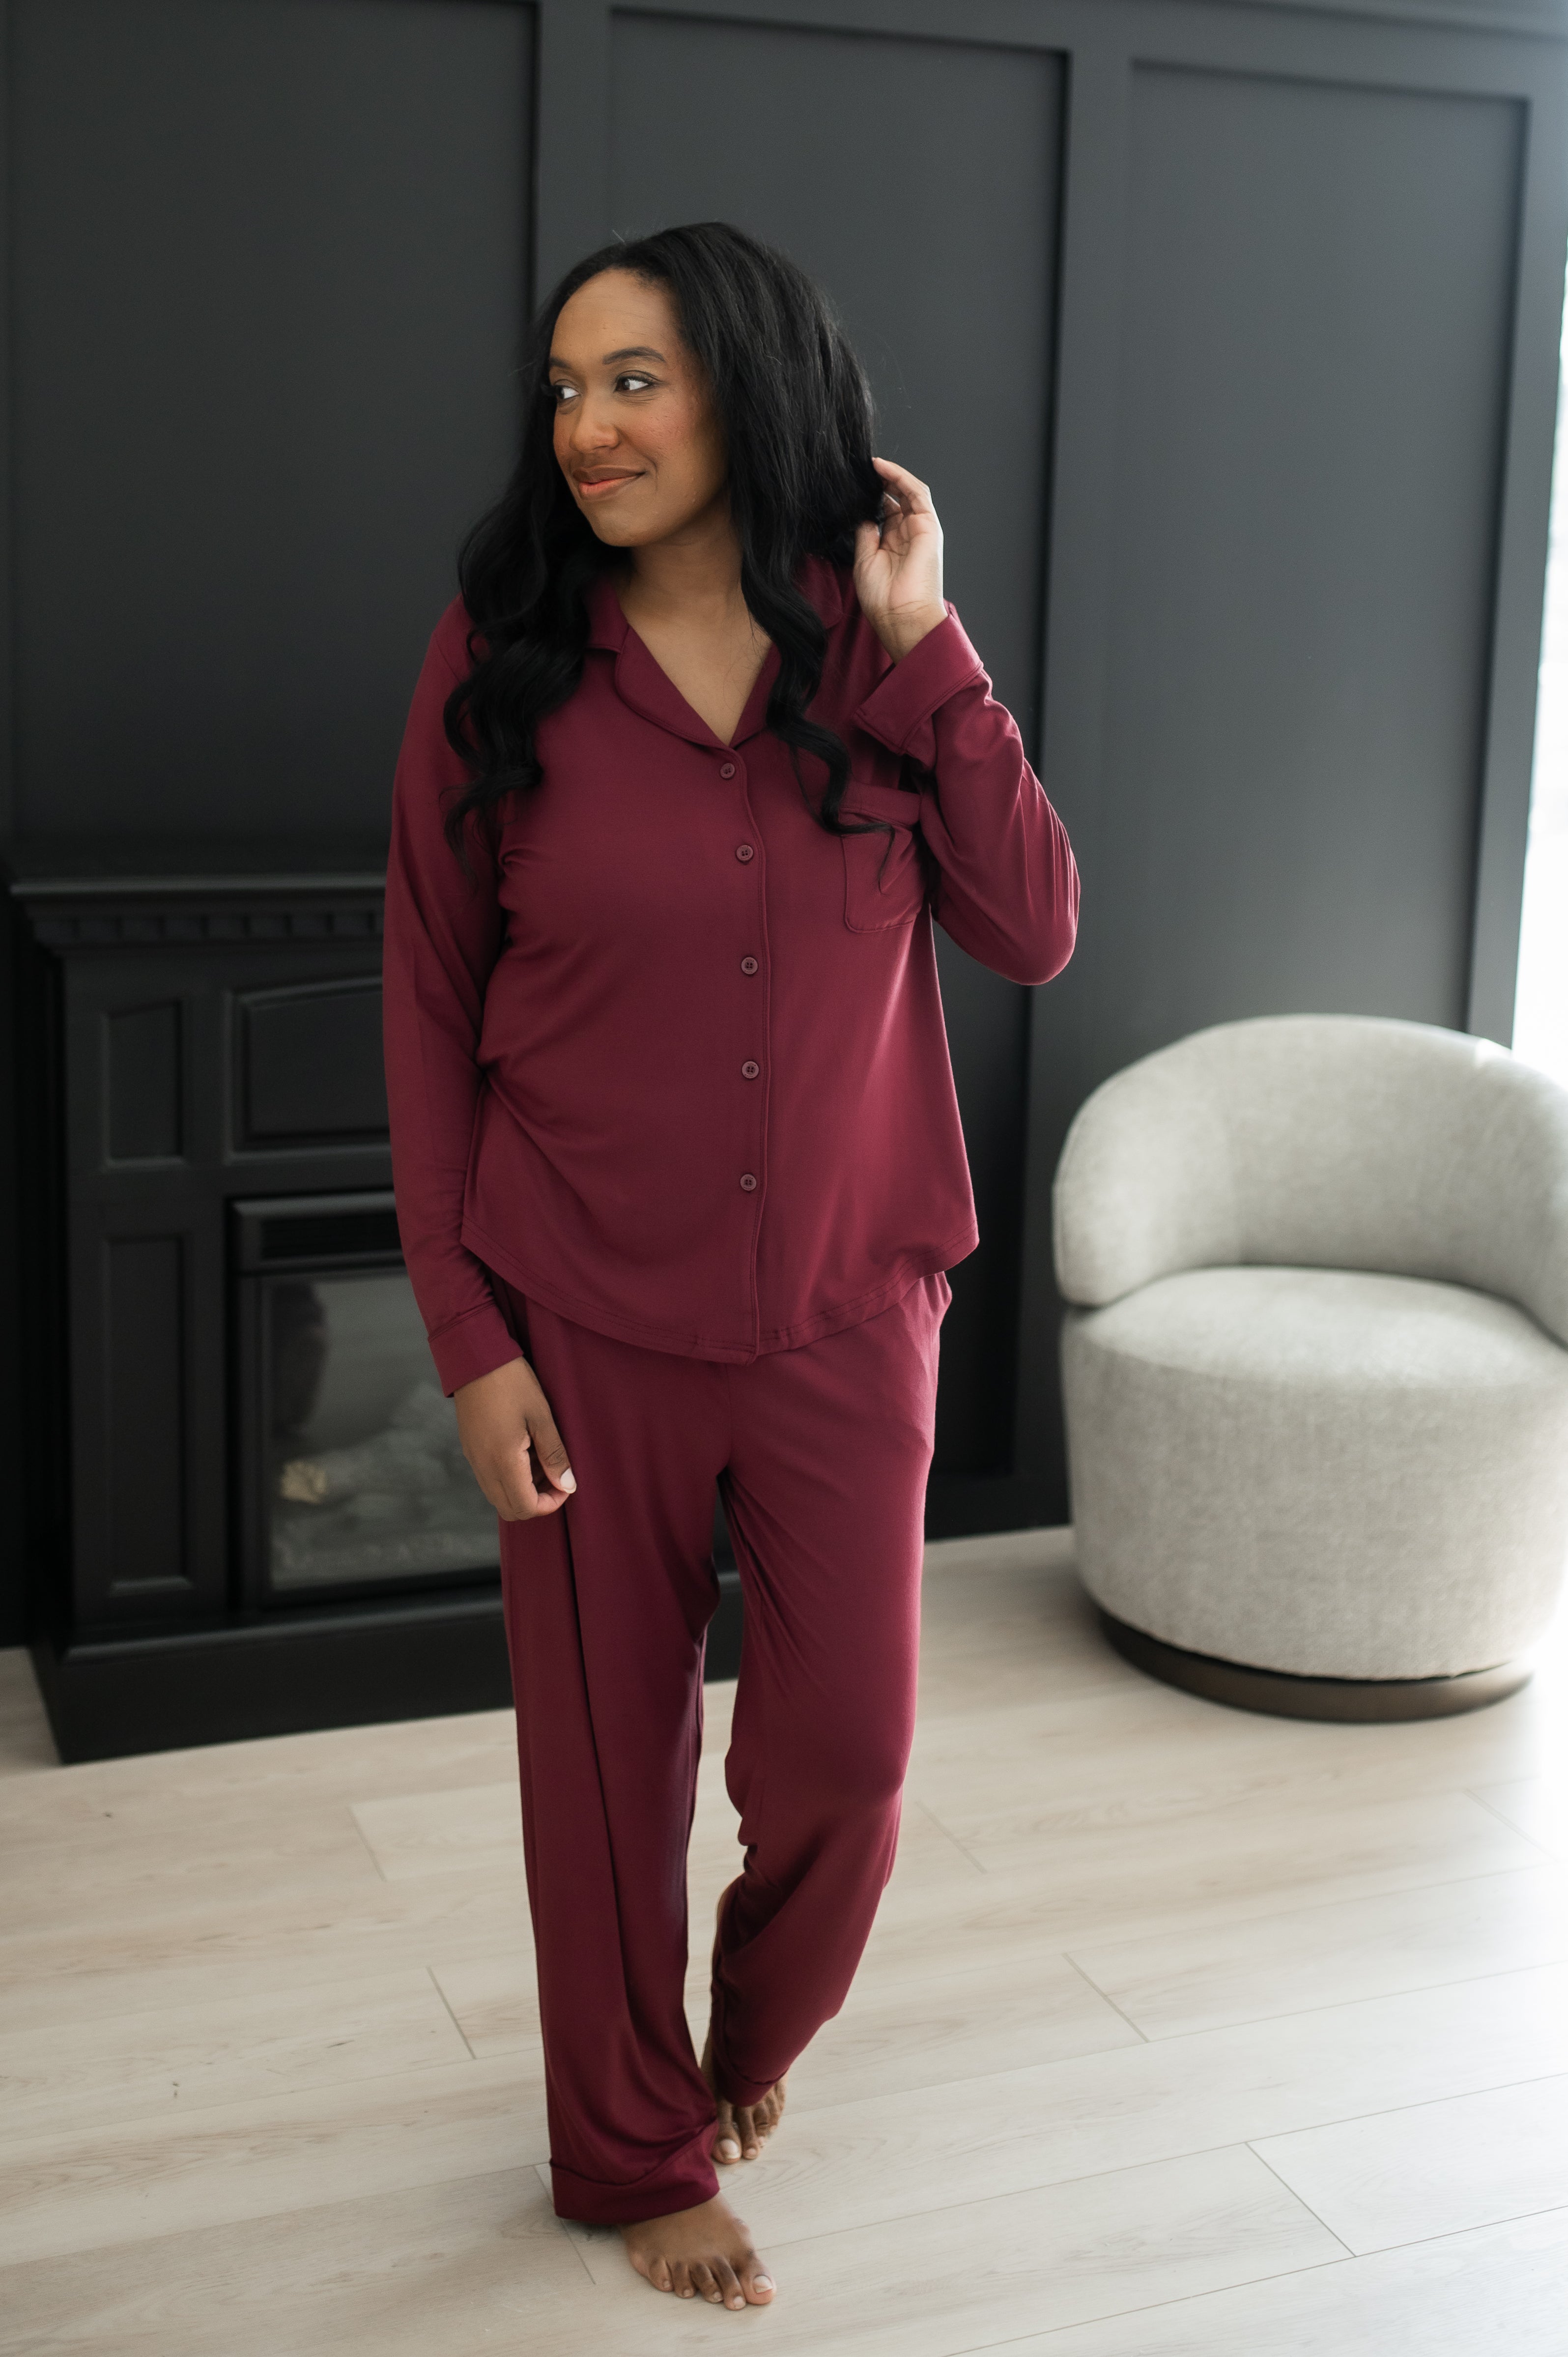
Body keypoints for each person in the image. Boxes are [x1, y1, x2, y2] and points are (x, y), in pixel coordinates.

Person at [382, 220, 1078, 2312]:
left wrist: (934, 645)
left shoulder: (873, 649)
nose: (586, 426)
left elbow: (1034, 928)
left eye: (637, 381)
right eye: (568, 388)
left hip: (855, 1304)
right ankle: (631, 2152)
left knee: (847, 1760)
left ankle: (745, 2034)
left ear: (747, 385)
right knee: (603, 1772)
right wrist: (463, 1333)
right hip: (578, 1306)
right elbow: (426, 993)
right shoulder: (500, 652)